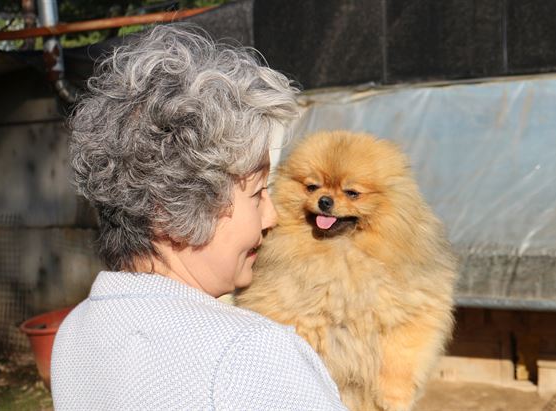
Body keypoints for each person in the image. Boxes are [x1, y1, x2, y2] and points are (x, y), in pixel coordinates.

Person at [50, 24, 347, 410]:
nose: (271, 216)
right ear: (174, 210)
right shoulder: (251, 354)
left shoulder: (75, 332)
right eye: (257, 193)